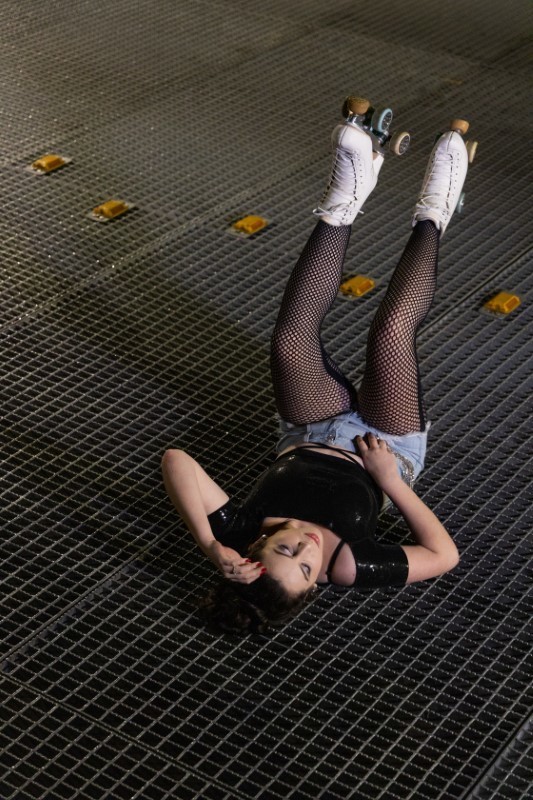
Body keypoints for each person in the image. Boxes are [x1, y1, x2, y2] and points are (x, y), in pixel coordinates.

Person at [162, 102, 472, 634]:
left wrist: (211, 544)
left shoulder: (238, 532)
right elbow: (443, 556)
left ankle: (346, 195)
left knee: (289, 341)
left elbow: (177, 460)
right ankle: (435, 210)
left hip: (309, 428)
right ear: (313, 586)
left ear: (256, 550)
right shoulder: (347, 567)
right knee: (391, 333)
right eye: (307, 568)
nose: (306, 547)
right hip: (387, 444)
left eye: (285, 549)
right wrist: (390, 482)